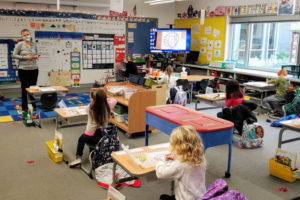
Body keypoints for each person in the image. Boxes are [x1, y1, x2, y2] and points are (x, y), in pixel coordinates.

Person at [156, 125, 206, 200]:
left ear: (179, 146)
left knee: (162, 197)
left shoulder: (181, 164)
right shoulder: (200, 157)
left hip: (184, 198)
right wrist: (177, 157)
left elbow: (161, 174)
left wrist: (159, 162)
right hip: (200, 196)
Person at [69, 89, 110, 168]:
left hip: (90, 136)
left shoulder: (90, 108)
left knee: (81, 139)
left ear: (95, 100)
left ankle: (78, 158)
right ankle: (93, 156)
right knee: (94, 140)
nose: (90, 99)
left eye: (91, 98)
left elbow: (86, 109)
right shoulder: (107, 109)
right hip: (102, 136)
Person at [12, 29, 39, 112]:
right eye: (25, 35)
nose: (27, 36)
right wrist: (25, 57)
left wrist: (35, 56)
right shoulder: (19, 45)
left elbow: (36, 53)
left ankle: (33, 105)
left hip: (34, 69)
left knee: (33, 88)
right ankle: (24, 107)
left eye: (28, 34)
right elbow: (14, 55)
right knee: (25, 88)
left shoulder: (34, 44)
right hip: (23, 70)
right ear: (22, 36)